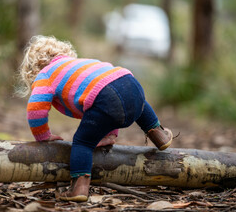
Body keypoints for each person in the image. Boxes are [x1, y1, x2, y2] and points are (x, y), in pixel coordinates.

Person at [18, 35, 173, 202]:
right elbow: (110, 90)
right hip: (130, 82)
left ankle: (79, 187)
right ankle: (159, 134)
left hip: (107, 99)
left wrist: (42, 136)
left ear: (33, 69)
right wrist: (111, 133)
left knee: (82, 142)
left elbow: (35, 108)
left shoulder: (46, 74)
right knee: (138, 102)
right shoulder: (83, 64)